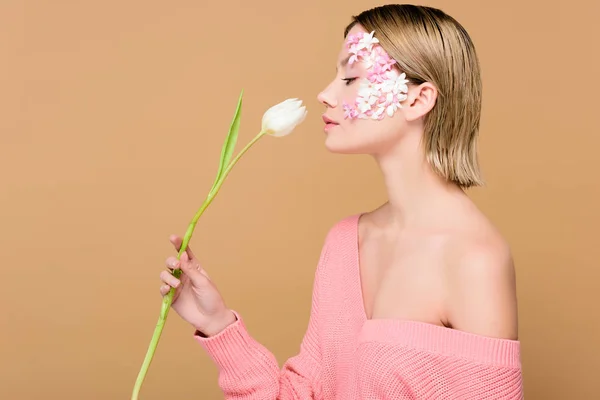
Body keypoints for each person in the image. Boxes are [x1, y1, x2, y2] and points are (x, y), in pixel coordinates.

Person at [159, 4, 523, 399]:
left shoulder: (475, 259)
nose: (325, 94)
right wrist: (219, 326)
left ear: (418, 100)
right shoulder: (344, 242)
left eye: (351, 77)